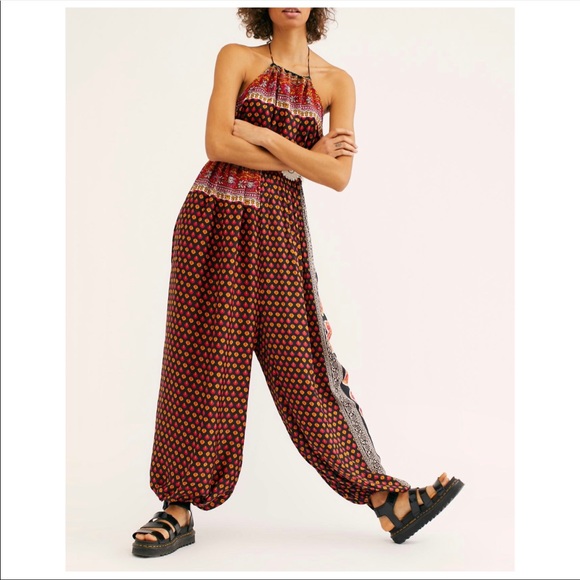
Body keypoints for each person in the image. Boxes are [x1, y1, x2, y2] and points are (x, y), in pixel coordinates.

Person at [131, 7, 464, 558]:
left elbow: (337, 175)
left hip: (281, 233)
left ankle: (387, 498)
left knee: (306, 366)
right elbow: (217, 145)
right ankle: (176, 507)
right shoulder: (236, 59)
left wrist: (264, 137)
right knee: (203, 362)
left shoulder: (338, 83)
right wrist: (305, 158)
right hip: (212, 220)